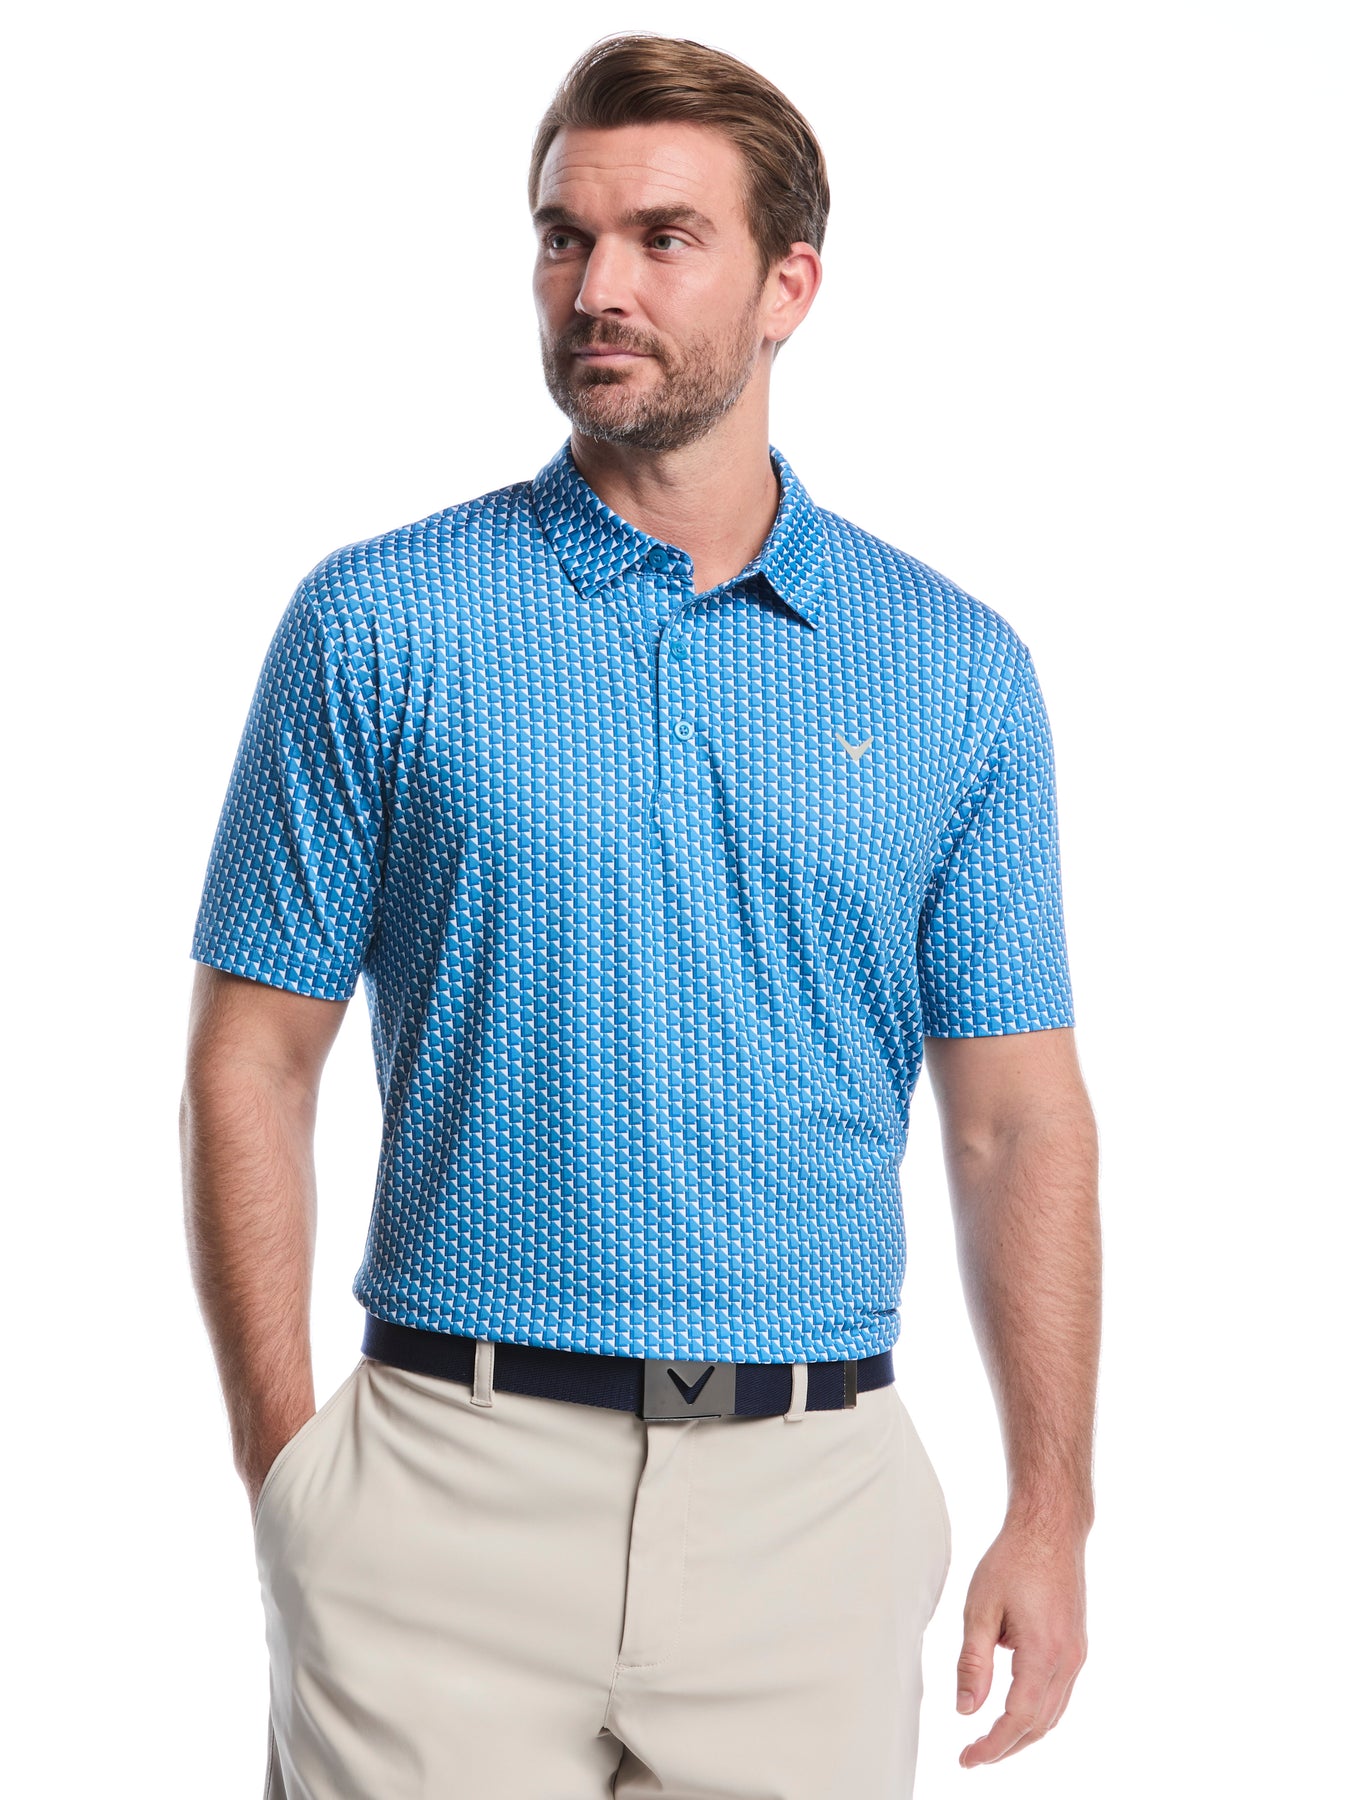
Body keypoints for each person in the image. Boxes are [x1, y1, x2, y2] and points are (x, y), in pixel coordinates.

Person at [181, 30, 1100, 1800]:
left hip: (813, 1511)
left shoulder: (953, 671)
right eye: (564, 237)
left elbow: (1015, 1124)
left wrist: (1050, 1509)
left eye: (663, 238)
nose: (595, 286)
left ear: (787, 286)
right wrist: (289, 1475)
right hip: (438, 1489)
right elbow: (252, 1058)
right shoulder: (379, 623)